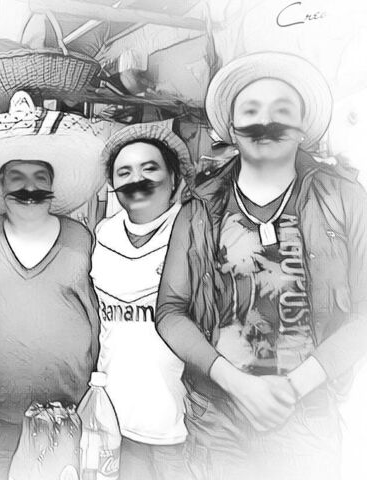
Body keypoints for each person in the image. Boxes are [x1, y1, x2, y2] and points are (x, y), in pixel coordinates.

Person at [156, 51, 367, 480]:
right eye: (250, 111)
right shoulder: (198, 208)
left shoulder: (345, 199)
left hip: (307, 417)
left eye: (281, 111)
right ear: (232, 128)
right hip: (218, 418)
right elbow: (170, 312)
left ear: (302, 126)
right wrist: (237, 384)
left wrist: (294, 387)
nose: (265, 123)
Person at [0, 92, 104, 480]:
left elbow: (100, 319)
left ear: (53, 186)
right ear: (1, 185)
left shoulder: (82, 239)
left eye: (40, 178)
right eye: (17, 178)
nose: (30, 188)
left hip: (67, 416)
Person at [91, 123, 193, 480]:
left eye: (150, 169)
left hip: (180, 427)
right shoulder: (104, 234)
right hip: (113, 421)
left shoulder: (194, 233)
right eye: (125, 172)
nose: (137, 180)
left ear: (174, 178)